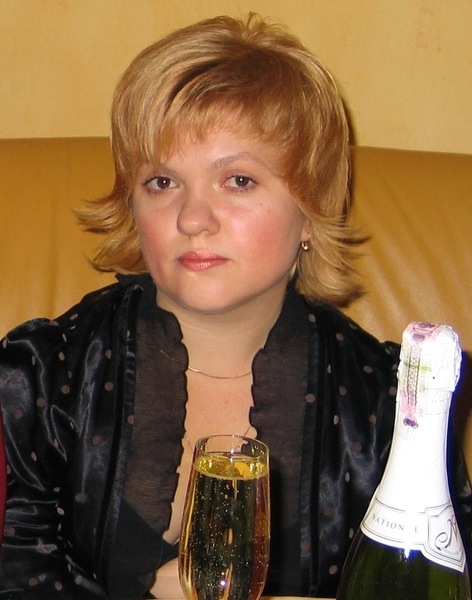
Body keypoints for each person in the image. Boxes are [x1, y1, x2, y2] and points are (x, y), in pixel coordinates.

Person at [0, 13, 470, 600]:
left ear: (311, 209)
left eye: (238, 180)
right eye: (162, 182)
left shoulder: (392, 407)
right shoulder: (41, 376)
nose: (193, 219)